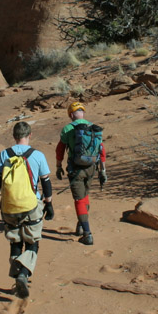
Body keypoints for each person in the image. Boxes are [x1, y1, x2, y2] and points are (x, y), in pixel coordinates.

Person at [0, 121, 55, 299]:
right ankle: (23, 274)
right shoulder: (38, 155)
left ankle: (17, 275)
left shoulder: (4, 154)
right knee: (33, 242)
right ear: (29, 135)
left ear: (14, 136)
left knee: (15, 242)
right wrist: (49, 203)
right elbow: (46, 182)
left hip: (9, 207)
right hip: (32, 205)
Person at [55, 102, 106, 246]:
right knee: (85, 196)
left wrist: (58, 166)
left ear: (71, 115)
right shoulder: (94, 128)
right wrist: (103, 170)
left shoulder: (68, 128)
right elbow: (102, 151)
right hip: (91, 168)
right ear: (82, 113)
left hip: (75, 168)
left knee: (79, 199)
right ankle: (81, 224)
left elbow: (60, 149)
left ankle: (87, 234)